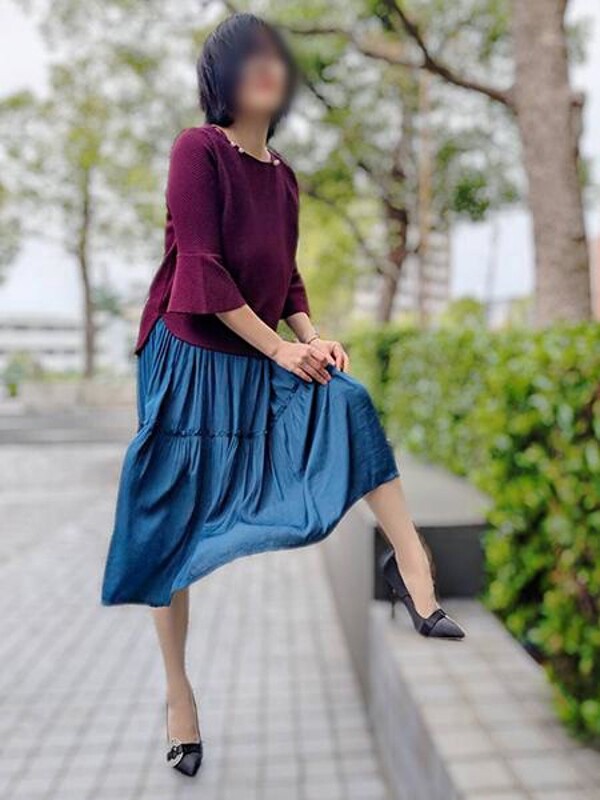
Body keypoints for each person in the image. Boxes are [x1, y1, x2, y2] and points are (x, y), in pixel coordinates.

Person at [101, 12, 465, 778]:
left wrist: (313, 335)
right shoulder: (198, 149)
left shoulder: (284, 176)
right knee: (172, 530)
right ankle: (178, 695)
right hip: (190, 358)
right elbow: (201, 268)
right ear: (222, 77)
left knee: (347, 400)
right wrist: (281, 348)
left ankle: (413, 566)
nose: (267, 67)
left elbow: (286, 276)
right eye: (248, 57)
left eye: (275, 57)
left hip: (256, 351)